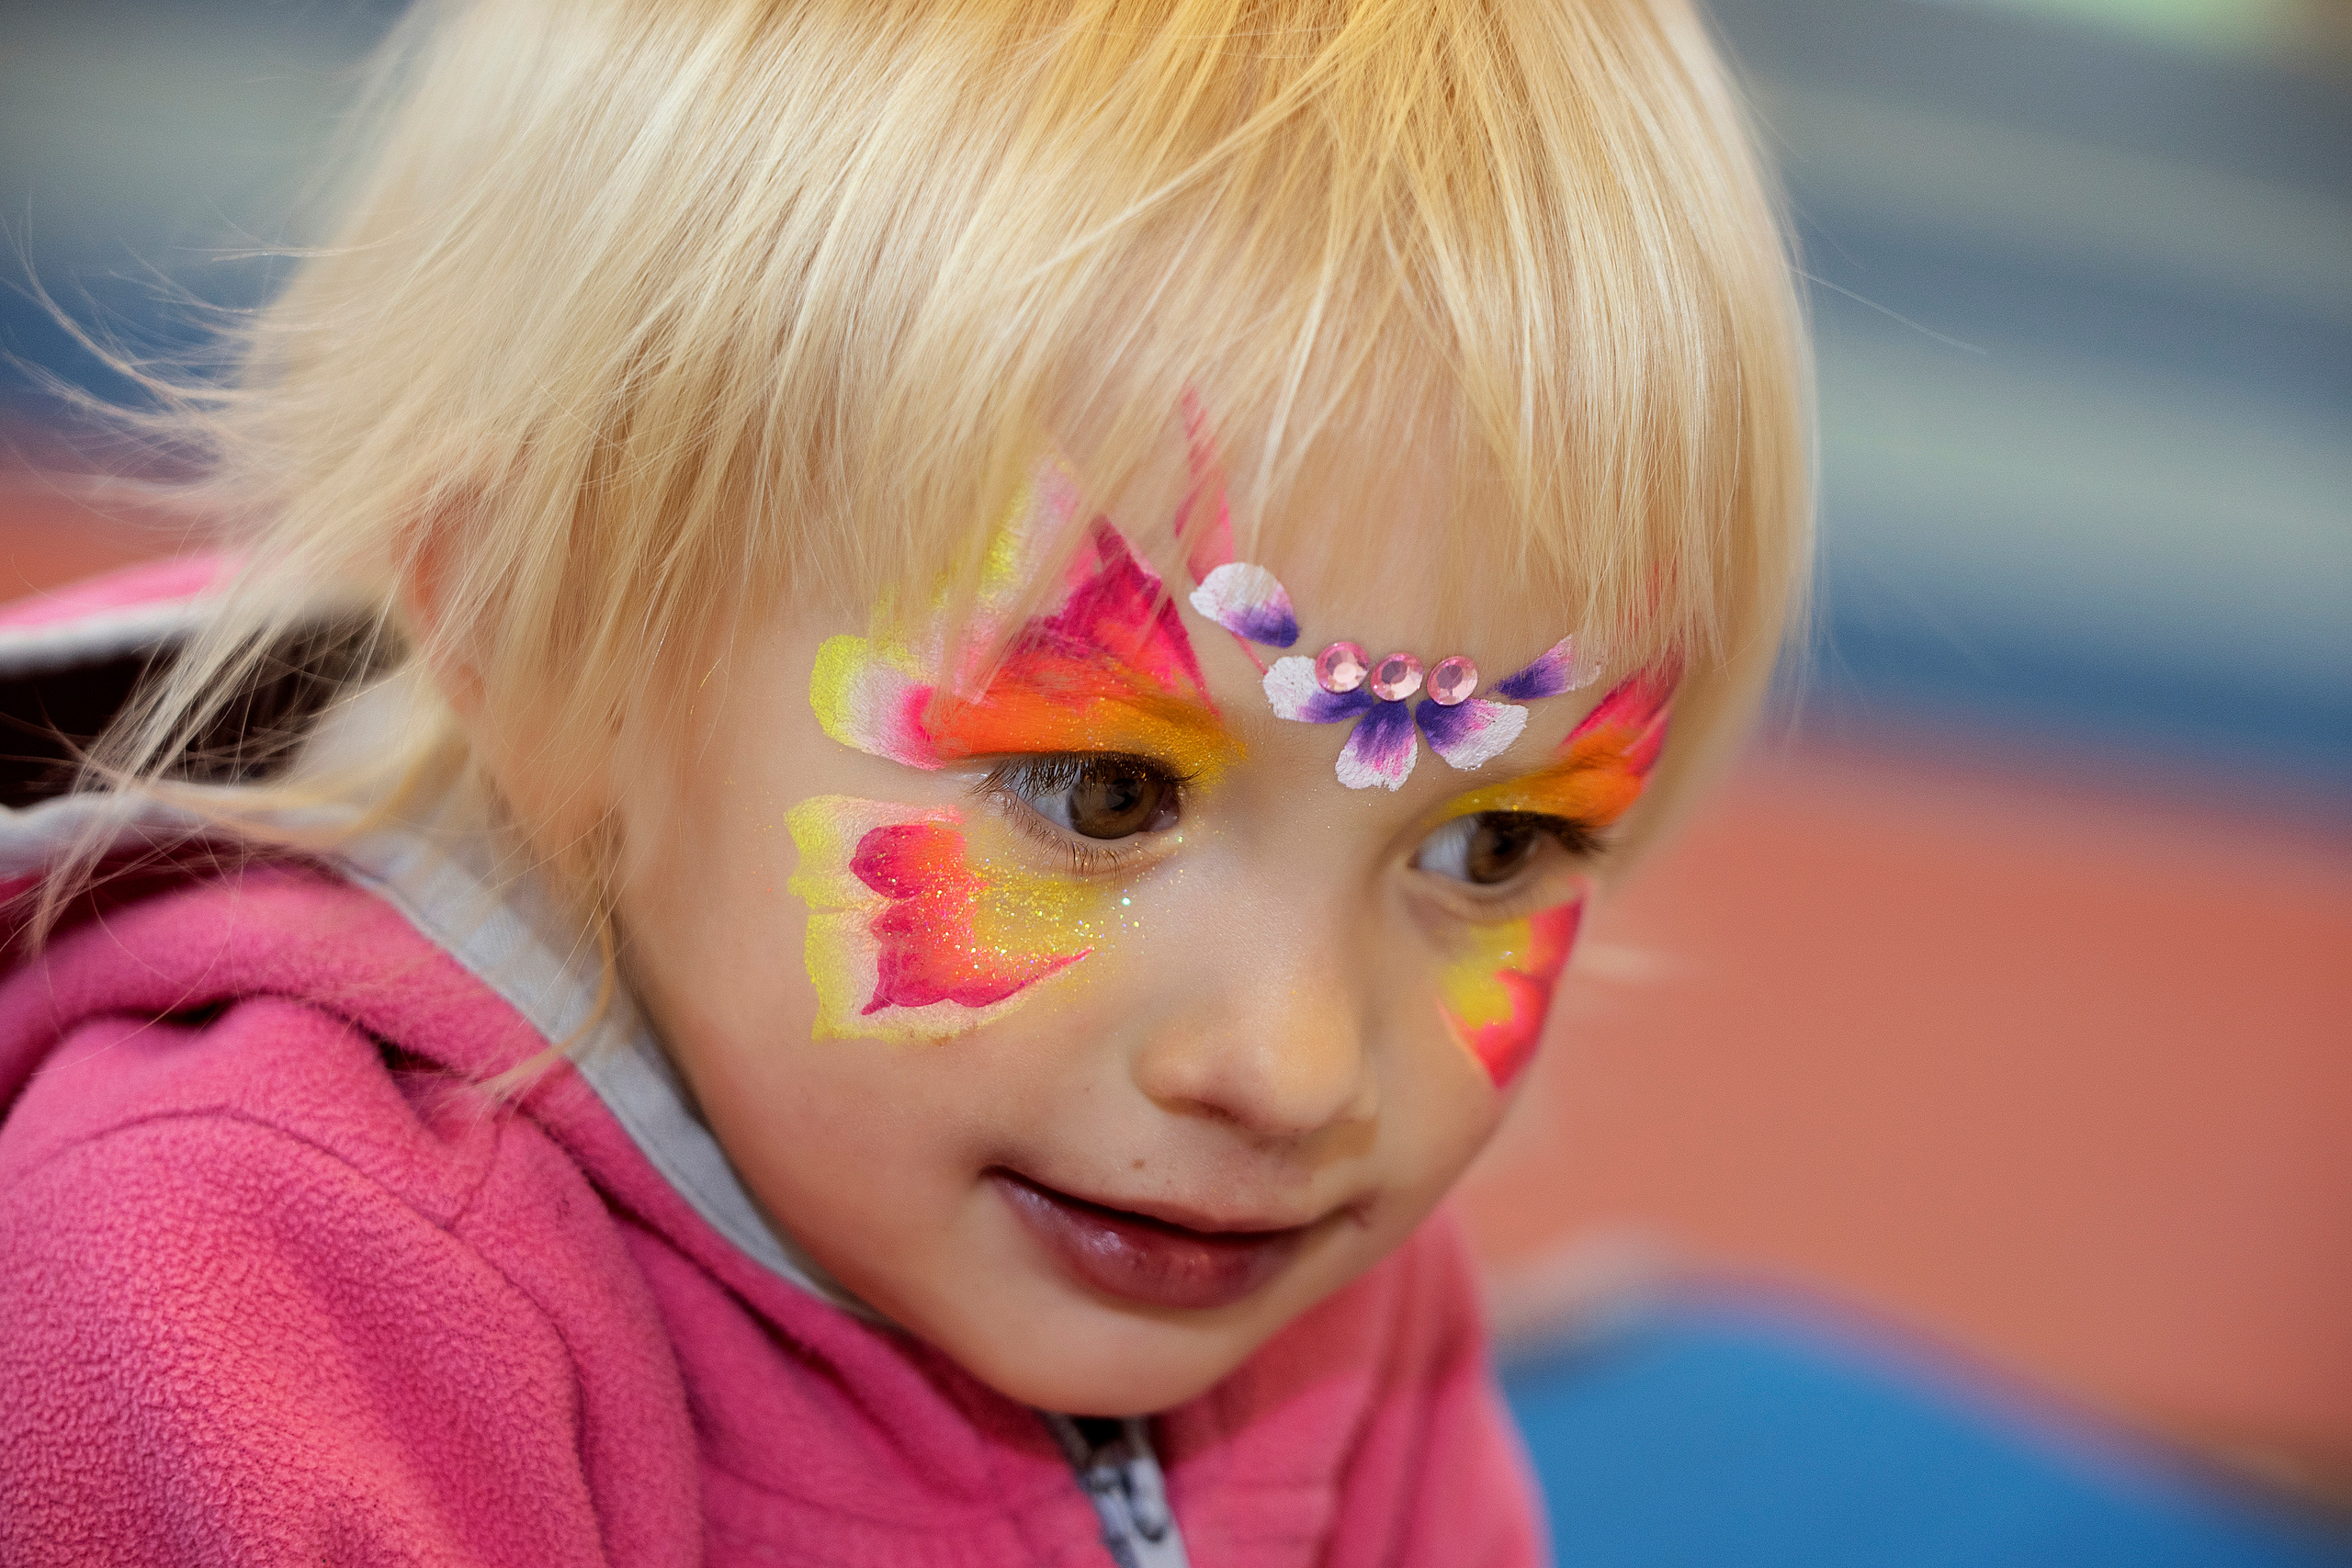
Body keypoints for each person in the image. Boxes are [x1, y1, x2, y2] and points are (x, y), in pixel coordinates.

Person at [0, 1, 1809, 1562]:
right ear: (543, 647)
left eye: (1487, 840)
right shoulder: (241, 1290)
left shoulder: (1309, 1304)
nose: (1295, 1063)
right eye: (1102, 798)